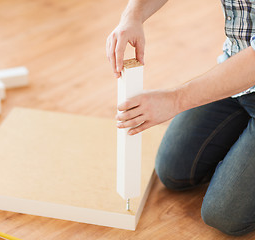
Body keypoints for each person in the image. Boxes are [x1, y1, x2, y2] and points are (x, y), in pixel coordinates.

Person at [106, 0, 255, 236]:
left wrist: (176, 100)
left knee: (224, 215)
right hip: (236, 76)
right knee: (173, 170)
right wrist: (132, 15)